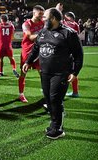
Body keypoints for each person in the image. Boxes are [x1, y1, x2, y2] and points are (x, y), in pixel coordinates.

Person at [23, 8, 83, 139]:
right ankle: (54, 123)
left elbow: (79, 55)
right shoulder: (44, 31)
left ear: (54, 19)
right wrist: (28, 62)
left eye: (45, 17)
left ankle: (58, 129)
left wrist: (75, 72)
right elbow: (36, 48)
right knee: (48, 99)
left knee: (55, 99)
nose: (42, 19)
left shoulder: (69, 33)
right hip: (45, 72)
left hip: (61, 73)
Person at [18, 5, 45, 103]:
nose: (41, 16)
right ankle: (21, 94)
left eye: (43, 14)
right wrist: (44, 33)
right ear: (34, 13)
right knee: (23, 72)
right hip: (27, 51)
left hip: (39, 51)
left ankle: (45, 93)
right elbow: (30, 37)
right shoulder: (26, 23)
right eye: (40, 14)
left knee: (42, 73)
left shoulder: (43, 22)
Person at [63, 12, 80, 98]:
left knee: (64, 72)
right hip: (75, 50)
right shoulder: (76, 25)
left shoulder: (65, 23)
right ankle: (75, 92)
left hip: (66, 51)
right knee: (74, 72)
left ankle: (59, 91)